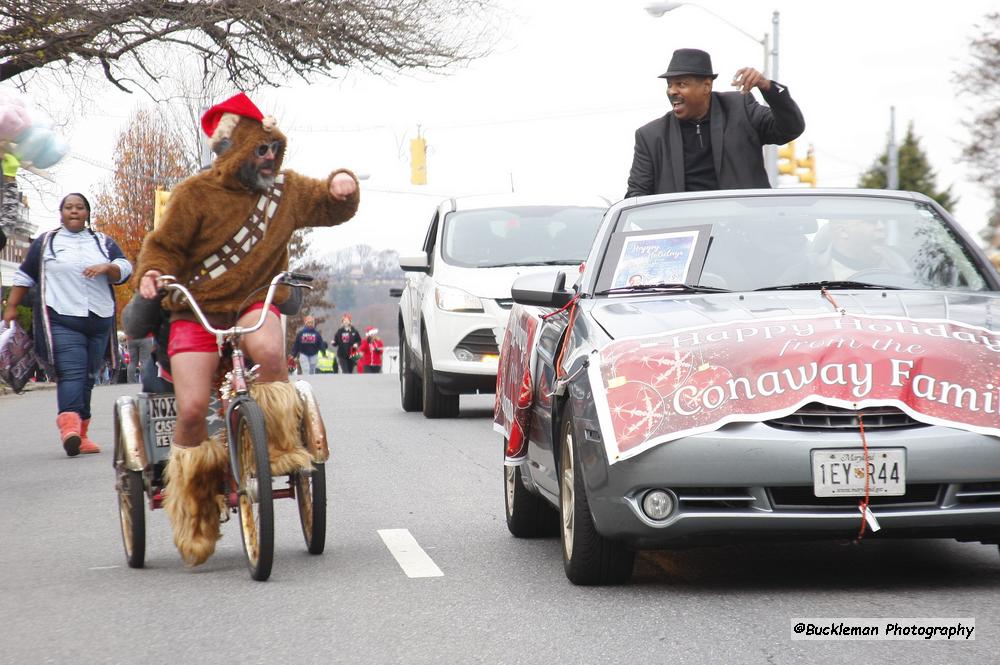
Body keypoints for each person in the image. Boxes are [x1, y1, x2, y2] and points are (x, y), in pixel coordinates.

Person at [134, 92, 360, 567]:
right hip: (195, 310)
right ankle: (194, 508)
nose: (271, 158)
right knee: (192, 408)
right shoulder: (194, 195)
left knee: (270, 353)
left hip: (254, 300)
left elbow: (328, 204)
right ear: (236, 149)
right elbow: (163, 247)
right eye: (262, 150)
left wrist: (343, 186)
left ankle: (276, 447)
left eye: (275, 149)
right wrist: (152, 274)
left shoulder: (287, 192)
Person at [2, 193, 132, 456]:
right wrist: (12, 306)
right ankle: (68, 425)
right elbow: (25, 275)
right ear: (60, 213)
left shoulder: (103, 242)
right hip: (62, 318)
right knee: (72, 372)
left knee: (89, 376)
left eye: (80, 207)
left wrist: (107, 267)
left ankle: (81, 433)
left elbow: (125, 268)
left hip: (99, 319)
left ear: (87, 213)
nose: (74, 211)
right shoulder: (46, 243)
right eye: (69, 207)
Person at [625, 48, 805, 198]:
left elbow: (791, 128)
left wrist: (767, 87)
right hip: (685, 235)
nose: (672, 91)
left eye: (681, 84)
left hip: (746, 230)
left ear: (706, 86)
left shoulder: (741, 108)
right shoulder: (651, 136)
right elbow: (637, 195)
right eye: (669, 85)